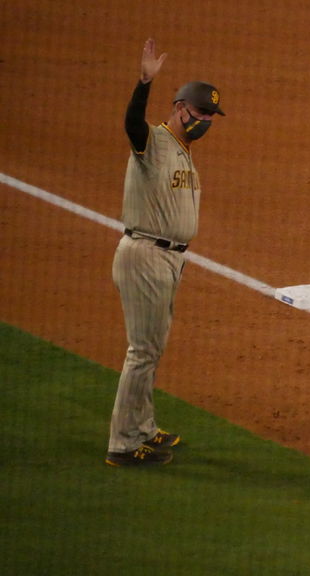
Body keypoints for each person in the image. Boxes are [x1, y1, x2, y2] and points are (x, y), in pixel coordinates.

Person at [105, 38, 224, 466]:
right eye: (200, 112)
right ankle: (122, 444)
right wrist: (144, 82)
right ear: (179, 107)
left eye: (211, 115)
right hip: (145, 256)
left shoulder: (184, 153)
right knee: (142, 352)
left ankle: (144, 429)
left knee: (152, 349)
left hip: (168, 260)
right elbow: (132, 123)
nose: (205, 120)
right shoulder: (153, 142)